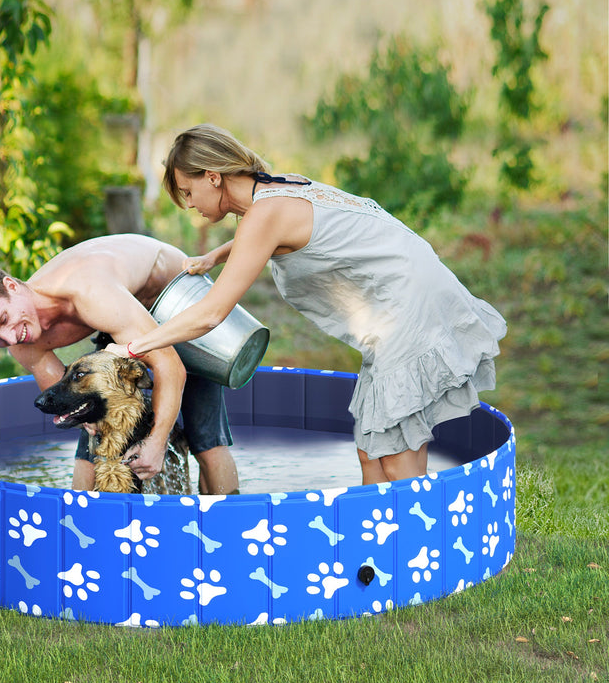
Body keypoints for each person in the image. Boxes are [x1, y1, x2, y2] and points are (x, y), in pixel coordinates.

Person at [107, 124, 506, 485]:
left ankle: (418, 562)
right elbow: (278, 231)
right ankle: (374, 556)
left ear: (213, 178)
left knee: (395, 455)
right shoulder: (278, 186)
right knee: (371, 451)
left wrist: (135, 346)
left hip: (405, 308)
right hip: (411, 291)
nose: (190, 204)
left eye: (189, 193)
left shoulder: (264, 215)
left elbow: (212, 313)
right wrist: (216, 256)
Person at [0, 234, 239, 494]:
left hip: (180, 300)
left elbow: (170, 366)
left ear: (11, 286)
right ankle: (84, 528)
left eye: (4, 319)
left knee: (206, 439)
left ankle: (229, 526)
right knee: (90, 447)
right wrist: (97, 427)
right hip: (124, 320)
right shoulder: (20, 342)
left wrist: (157, 442)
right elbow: (78, 410)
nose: (11, 338)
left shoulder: (89, 291)